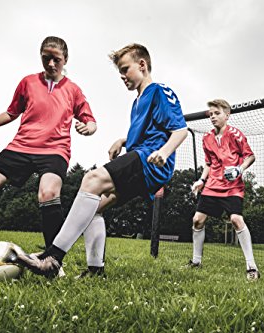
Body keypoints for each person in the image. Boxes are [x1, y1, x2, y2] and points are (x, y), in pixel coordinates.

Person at [16, 43, 188, 277]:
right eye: (120, 72)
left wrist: (165, 152)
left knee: (92, 179)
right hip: (139, 157)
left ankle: (52, 258)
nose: (122, 76)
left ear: (142, 65)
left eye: (125, 69)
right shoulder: (138, 100)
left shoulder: (159, 90)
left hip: (150, 161)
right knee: (94, 209)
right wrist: (123, 140)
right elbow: (150, 130)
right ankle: (95, 270)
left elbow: (180, 130)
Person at [0, 36, 97, 260]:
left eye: (56, 59)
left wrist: (88, 127)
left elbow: (91, 121)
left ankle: (52, 259)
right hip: (21, 146)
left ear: (65, 59)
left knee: (48, 193)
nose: (51, 64)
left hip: (54, 150)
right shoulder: (28, 82)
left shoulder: (73, 90)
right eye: (46, 59)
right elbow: (12, 112)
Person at [186, 99, 260, 281]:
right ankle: (196, 262)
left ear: (227, 115)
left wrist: (239, 169)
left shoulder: (236, 134)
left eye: (216, 113)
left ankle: (252, 267)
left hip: (232, 186)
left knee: (236, 220)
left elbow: (250, 156)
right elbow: (209, 164)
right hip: (212, 185)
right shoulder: (207, 138)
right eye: (210, 114)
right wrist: (201, 180)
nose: (212, 117)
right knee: (197, 220)